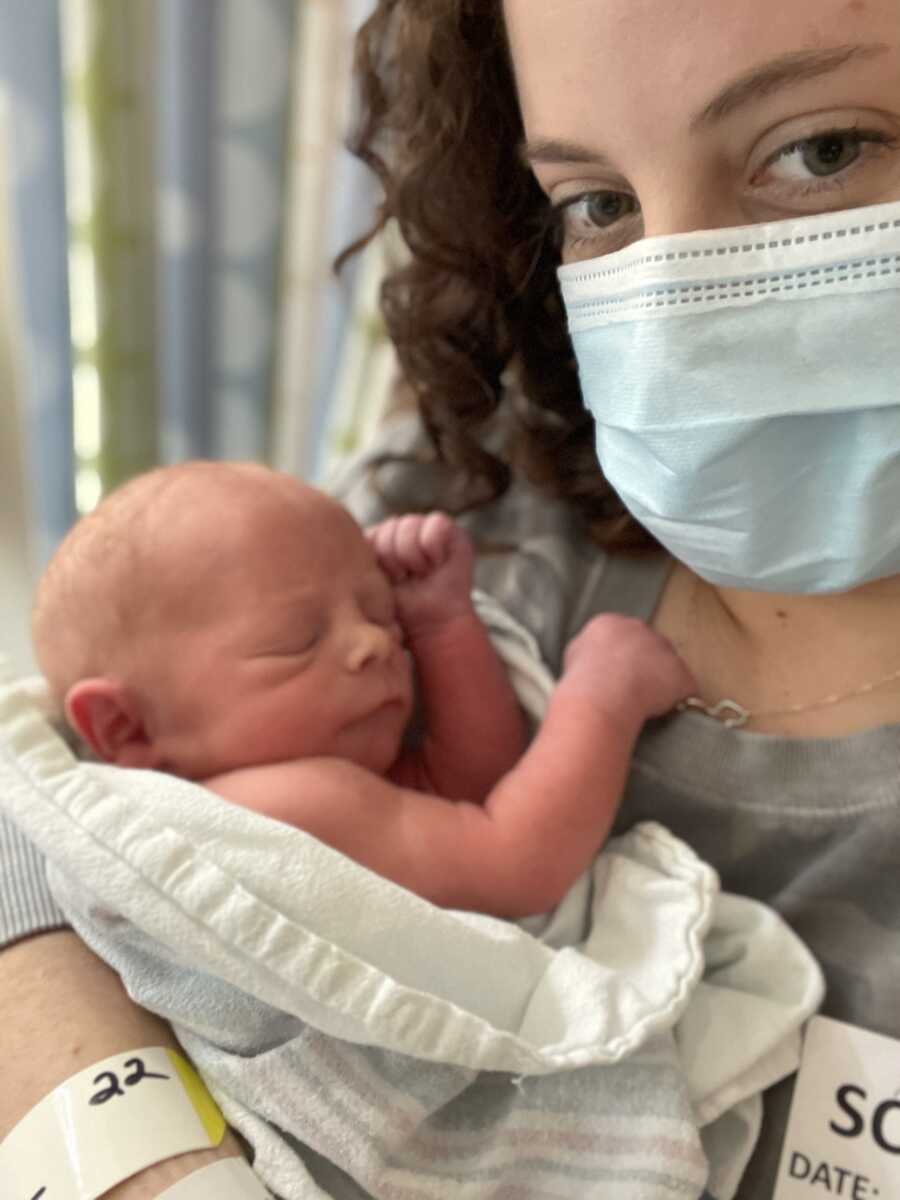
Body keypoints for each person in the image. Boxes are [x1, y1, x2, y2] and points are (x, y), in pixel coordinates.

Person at [2, 0, 899, 1196]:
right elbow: (33, 809)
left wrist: (442, 630)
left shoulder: (379, 596)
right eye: (598, 203)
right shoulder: (469, 487)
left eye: (822, 148)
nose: (672, 305)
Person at [30, 459, 691, 918]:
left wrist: (439, 627)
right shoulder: (282, 802)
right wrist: (603, 698)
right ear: (126, 728)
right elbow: (516, 860)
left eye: (380, 613)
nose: (374, 643)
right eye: (295, 638)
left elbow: (466, 784)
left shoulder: (305, 779)